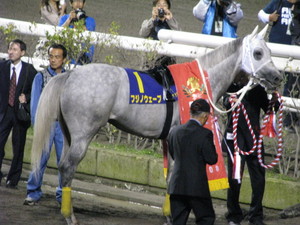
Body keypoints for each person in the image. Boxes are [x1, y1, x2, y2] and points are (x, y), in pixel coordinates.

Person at [222, 79, 279, 225]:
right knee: (234, 178)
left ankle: (256, 216)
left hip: (254, 137)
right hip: (235, 138)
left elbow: (268, 109)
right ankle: (234, 214)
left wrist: (275, 101)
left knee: (259, 179)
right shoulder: (231, 86)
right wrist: (230, 100)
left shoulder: (256, 88)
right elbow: (225, 104)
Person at [24, 44, 67, 205]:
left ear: (63, 59)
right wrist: (37, 125)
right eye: (51, 56)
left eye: (57, 57)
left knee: (64, 162)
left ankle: (63, 194)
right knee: (40, 159)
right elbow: (35, 103)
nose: (53, 60)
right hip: (46, 124)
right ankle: (33, 191)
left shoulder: (68, 77)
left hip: (62, 126)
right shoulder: (40, 77)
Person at [167, 99, 218, 225]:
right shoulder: (205, 134)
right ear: (205, 116)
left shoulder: (174, 131)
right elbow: (212, 159)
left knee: (177, 221)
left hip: (176, 186)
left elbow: (174, 155)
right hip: (197, 187)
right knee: (206, 218)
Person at [0, 39, 37, 188]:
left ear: (22, 52)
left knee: (18, 146)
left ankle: (13, 178)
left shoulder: (29, 70)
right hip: (4, 111)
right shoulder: (2, 66)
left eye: (15, 49)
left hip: (20, 114)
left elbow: (35, 90)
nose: (11, 52)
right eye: (10, 49)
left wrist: (26, 98)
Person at [258, 0, 297, 132]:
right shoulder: (278, 2)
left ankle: (288, 120)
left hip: (293, 52)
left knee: (290, 86)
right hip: (275, 50)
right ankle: (264, 113)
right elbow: (261, 14)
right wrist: (269, 17)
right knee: (268, 82)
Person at [139, 0, 179, 68]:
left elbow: (178, 35)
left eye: (164, 5)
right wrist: (152, 19)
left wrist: (170, 19)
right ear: (154, 8)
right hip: (151, 59)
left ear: (168, 9)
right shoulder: (147, 22)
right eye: (159, 5)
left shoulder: (172, 24)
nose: (161, 7)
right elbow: (143, 34)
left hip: (167, 60)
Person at [58, 0, 96, 64]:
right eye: (75, 1)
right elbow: (58, 33)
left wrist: (81, 20)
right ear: (71, 3)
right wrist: (69, 19)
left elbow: (88, 35)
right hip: (66, 56)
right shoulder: (64, 18)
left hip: (83, 57)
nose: (78, 3)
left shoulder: (90, 20)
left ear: (84, 4)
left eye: (80, 1)